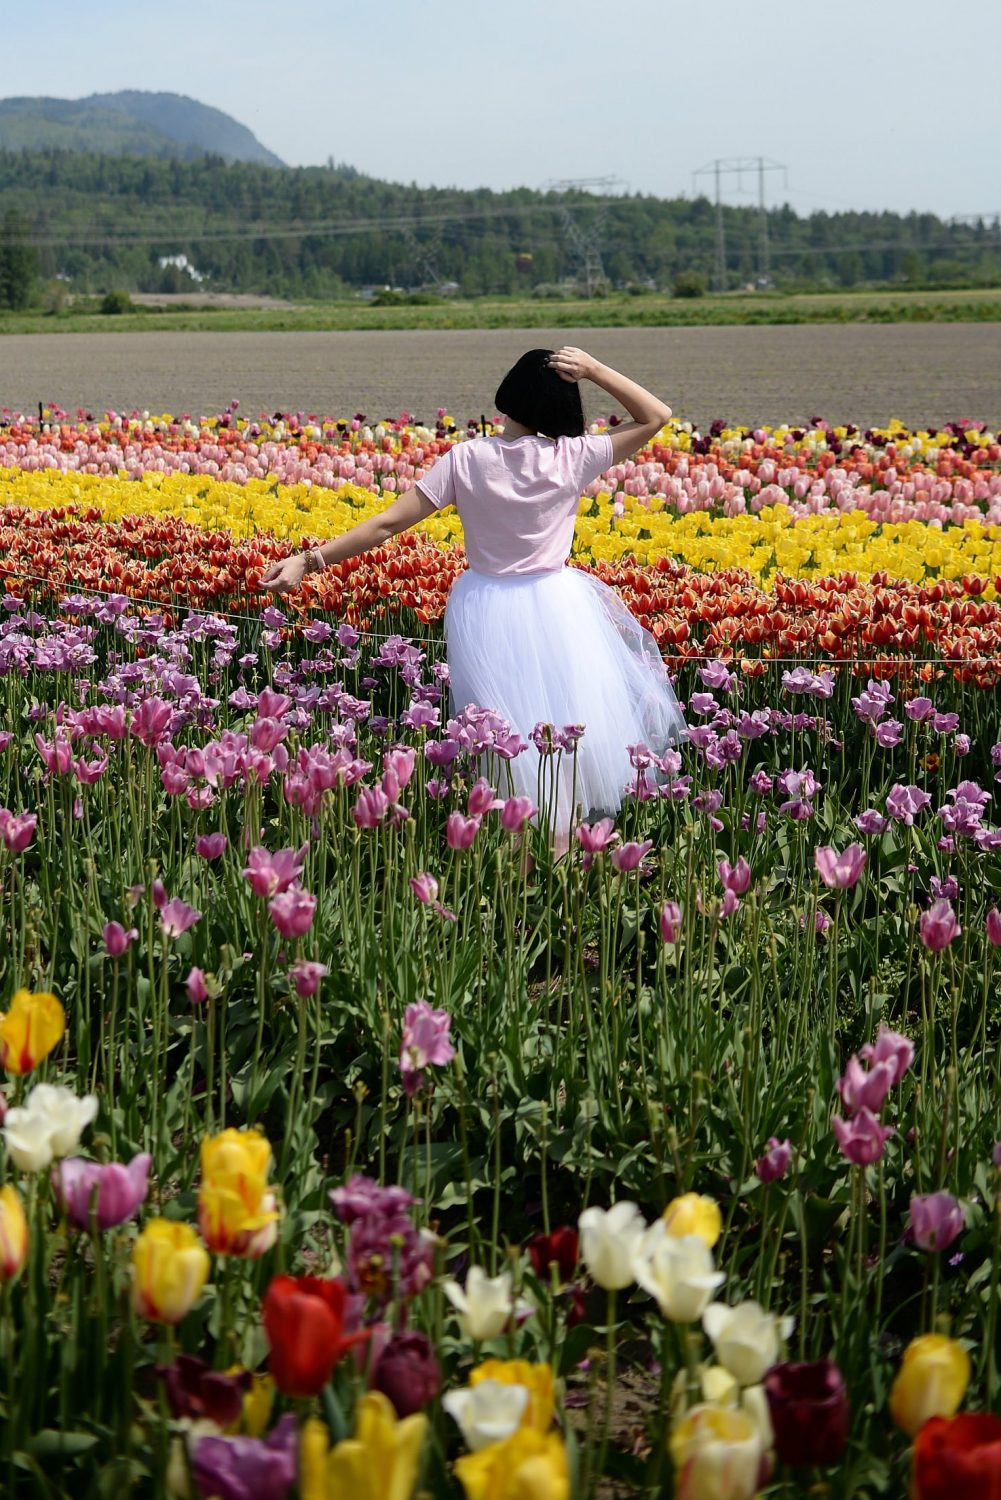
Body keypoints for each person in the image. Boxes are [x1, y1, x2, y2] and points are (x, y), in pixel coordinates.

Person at [262, 346, 686, 845]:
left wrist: (309, 561)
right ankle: (564, 850)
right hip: (559, 606)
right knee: (561, 731)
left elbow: (384, 526)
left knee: (503, 739)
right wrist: (593, 370)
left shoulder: (468, 459)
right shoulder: (574, 456)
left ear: (508, 396)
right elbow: (657, 414)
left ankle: (518, 852)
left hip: (487, 607)